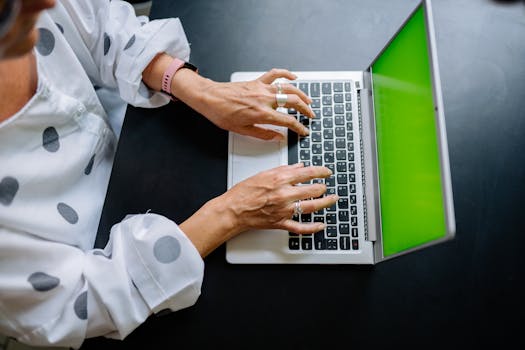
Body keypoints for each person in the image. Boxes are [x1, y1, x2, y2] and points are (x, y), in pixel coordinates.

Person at [0, 0, 337, 348]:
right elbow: (75, 302)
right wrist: (231, 213)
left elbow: (98, 24)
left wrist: (200, 89)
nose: (45, 3)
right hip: (110, 271)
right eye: (7, 10)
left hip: (135, 145)